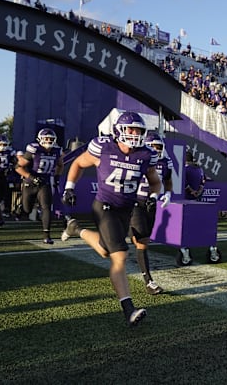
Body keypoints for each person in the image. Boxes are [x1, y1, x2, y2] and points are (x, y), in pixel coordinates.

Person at [61, 111, 161, 326]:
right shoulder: (103, 147)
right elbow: (78, 163)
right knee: (120, 256)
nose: (135, 134)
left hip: (126, 209)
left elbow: (155, 181)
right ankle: (128, 310)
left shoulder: (145, 154)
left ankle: (75, 228)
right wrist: (69, 187)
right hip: (105, 207)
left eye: (139, 130)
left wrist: (154, 196)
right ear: (119, 131)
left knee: (106, 250)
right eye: (131, 129)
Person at [130, 132, 172, 295]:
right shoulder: (137, 158)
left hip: (151, 203)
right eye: (152, 146)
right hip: (135, 202)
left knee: (143, 239)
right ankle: (149, 281)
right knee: (142, 242)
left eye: (158, 147)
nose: (155, 149)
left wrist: (168, 193)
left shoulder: (165, 162)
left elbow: (168, 180)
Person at [15, 128, 64, 244]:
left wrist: (57, 177)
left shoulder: (57, 150)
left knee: (46, 207)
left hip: (44, 182)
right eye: (46, 138)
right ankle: (21, 206)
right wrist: (31, 177)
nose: (48, 141)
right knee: (27, 209)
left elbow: (60, 165)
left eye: (51, 139)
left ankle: (46, 235)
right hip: (30, 182)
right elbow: (18, 167)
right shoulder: (34, 149)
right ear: (40, 139)